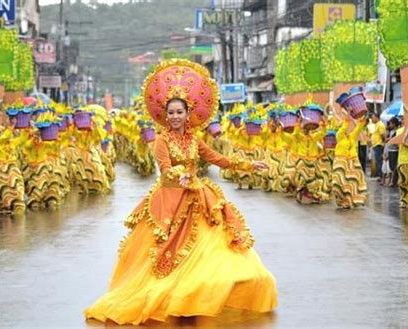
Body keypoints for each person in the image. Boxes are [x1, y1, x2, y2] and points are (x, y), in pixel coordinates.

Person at [84, 60, 277, 325]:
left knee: (211, 250)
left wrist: (247, 164)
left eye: (179, 112)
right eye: (171, 112)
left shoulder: (195, 140)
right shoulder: (161, 140)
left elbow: (218, 159)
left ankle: (198, 297)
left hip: (198, 198)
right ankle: (174, 298)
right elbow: (164, 169)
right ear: (165, 115)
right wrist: (183, 176)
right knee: (168, 258)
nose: (175, 116)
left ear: (188, 114)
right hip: (170, 202)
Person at [332, 114, 368, 209]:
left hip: (352, 162)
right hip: (341, 162)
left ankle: (351, 200)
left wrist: (361, 120)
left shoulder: (351, 137)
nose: (348, 129)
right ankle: (341, 200)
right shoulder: (339, 136)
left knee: (353, 182)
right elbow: (342, 129)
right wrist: (346, 121)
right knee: (338, 183)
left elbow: (358, 129)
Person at [369, 113, 385, 180]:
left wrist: (383, 142)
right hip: (375, 144)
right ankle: (379, 175)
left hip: (378, 144)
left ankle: (381, 176)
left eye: (373, 117)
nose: (372, 119)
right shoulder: (376, 125)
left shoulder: (380, 125)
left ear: (377, 117)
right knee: (377, 161)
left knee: (379, 161)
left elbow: (382, 135)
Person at [385, 117, 399, 187]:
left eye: (391, 123)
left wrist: (390, 139)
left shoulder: (397, 131)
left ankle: (394, 181)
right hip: (390, 149)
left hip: (394, 150)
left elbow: (394, 140)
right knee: (391, 166)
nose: (390, 125)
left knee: (394, 166)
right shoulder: (391, 131)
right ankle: (393, 181)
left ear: (394, 124)